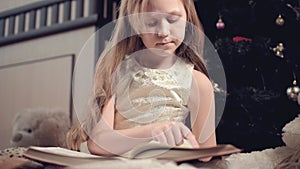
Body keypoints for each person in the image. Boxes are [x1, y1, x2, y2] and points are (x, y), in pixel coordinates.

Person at [67, 0, 216, 161]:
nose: (163, 32)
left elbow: (206, 153)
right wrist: (153, 131)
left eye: (173, 20)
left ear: (187, 19)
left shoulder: (197, 82)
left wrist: (184, 142)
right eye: (151, 22)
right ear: (135, 26)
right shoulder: (119, 72)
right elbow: (98, 143)